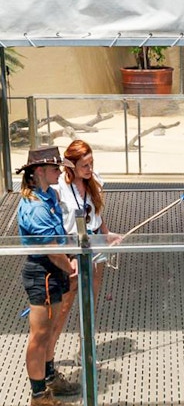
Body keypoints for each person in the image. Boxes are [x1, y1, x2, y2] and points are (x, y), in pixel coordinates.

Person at [17, 146, 80, 406]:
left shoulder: (50, 195)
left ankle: (50, 374)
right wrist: (70, 267)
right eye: (56, 169)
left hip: (54, 269)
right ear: (39, 171)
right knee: (40, 334)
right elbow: (52, 248)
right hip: (42, 271)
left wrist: (66, 261)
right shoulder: (34, 205)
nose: (61, 172)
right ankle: (39, 396)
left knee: (51, 327)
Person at [50, 139, 120, 366]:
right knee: (64, 304)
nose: (90, 170)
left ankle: (85, 350)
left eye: (91, 164)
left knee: (90, 300)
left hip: (94, 245)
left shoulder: (94, 181)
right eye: (85, 166)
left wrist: (107, 234)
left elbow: (97, 214)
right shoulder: (59, 187)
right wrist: (66, 255)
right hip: (72, 248)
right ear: (71, 166)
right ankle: (47, 356)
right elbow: (57, 223)